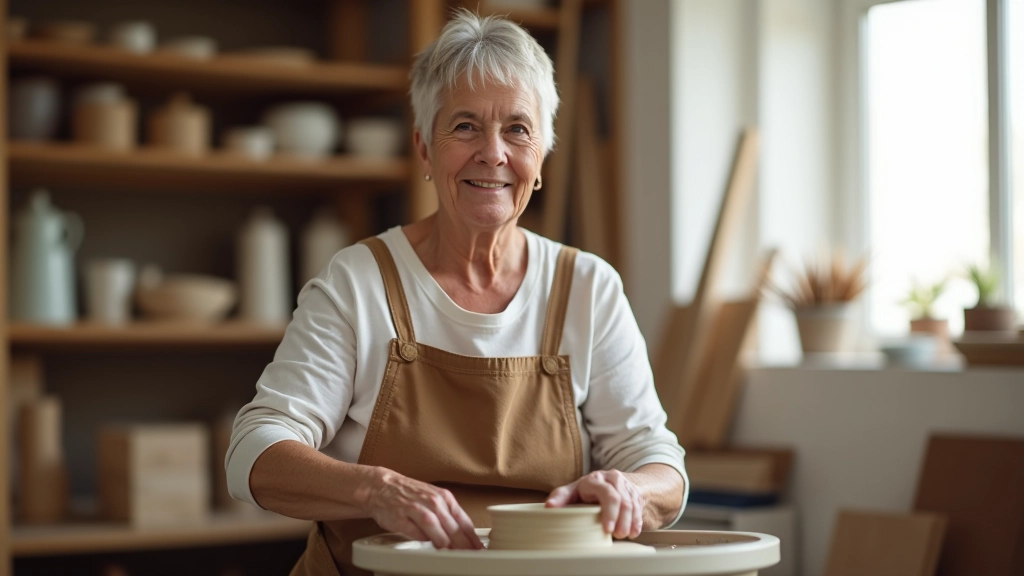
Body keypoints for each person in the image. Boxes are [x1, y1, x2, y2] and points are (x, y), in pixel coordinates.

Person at [226, 10, 688, 575]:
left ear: (542, 155)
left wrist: (631, 491)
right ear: (424, 148)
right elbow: (253, 452)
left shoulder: (588, 287)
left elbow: (658, 462)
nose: (493, 153)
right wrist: (376, 490)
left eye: (518, 128)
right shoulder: (360, 281)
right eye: (465, 126)